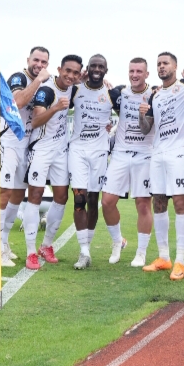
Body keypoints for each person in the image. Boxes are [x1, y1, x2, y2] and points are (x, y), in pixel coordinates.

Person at [138, 52, 184, 280]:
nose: (162, 67)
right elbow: (146, 129)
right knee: (159, 203)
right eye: (159, 64)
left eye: (166, 63)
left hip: (179, 151)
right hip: (158, 152)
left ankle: (181, 261)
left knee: (180, 202)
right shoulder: (156, 96)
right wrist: (140, 115)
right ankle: (164, 257)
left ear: (175, 66)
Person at [0, 46, 51, 267]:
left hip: (25, 146)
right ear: (28, 60)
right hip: (8, 143)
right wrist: (39, 81)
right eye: (36, 60)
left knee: (17, 196)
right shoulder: (19, 78)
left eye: (44, 62)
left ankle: (4, 243)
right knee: (4, 193)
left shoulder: (46, 82)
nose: (40, 65)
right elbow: (17, 103)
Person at [22, 54, 83, 271]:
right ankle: (30, 251)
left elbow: (89, 81)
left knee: (61, 196)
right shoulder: (47, 90)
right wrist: (56, 108)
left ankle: (46, 245)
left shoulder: (74, 88)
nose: (71, 76)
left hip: (61, 151)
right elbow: (36, 121)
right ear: (59, 69)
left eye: (76, 73)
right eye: (68, 71)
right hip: (41, 148)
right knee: (36, 195)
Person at [102, 58, 155, 267]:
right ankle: (118, 241)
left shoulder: (154, 94)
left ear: (146, 74)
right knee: (107, 201)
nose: (135, 75)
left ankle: (141, 252)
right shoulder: (120, 92)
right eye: (132, 71)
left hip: (144, 153)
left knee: (142, 204)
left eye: (139, 71)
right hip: (121, 153)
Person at [67, 54, 117, 270]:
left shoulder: (111, 92)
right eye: (93, 66)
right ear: (87, 68)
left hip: (99, 152)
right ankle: (84, 252)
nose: (97, 69)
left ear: (106, 70)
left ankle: (87, 245)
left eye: (101, 66)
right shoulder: (76, 89)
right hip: (77, 150)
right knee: (79, 199)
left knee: (93, 199)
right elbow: (59, 94)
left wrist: (112, 126)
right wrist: (77, 80)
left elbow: (128, 113)